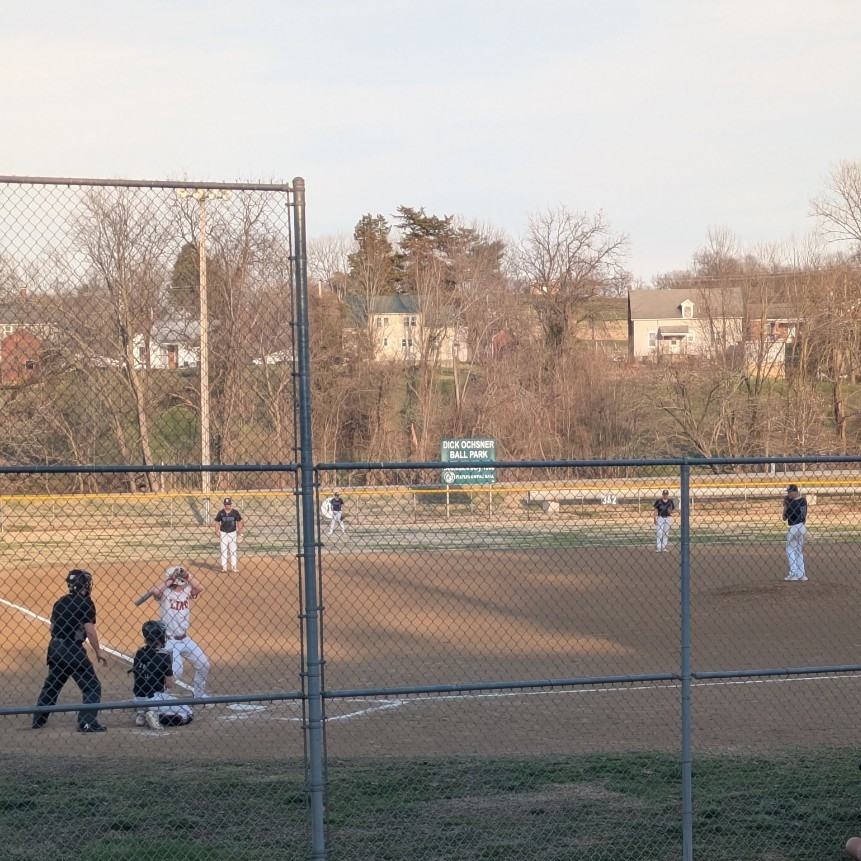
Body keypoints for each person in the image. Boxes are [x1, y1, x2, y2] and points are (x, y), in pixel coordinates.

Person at [32, 569, 108, 733]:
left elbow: (52, 628)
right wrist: (98, 651)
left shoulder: (60, 602)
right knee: (92, 686)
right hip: (73, 650)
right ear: (86, 584)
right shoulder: (86, 602)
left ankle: (38, 719)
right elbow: (90, 630)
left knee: (52, 686)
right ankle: (87, 722)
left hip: (55, 649)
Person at [146, 566, 211, 700]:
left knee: (204, 665)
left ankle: (199, 694)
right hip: (169, 640)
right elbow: (155, 591)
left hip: (185, 639)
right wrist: (170, 580)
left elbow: (200, 588)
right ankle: (159, 695)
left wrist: (187, 575)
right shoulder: (165, 594)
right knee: (176, 671)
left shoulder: (186, 591)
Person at [131, 620, 194, 729]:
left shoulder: (139, 653)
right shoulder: (164, 656)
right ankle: (156, 715)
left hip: (137, 698)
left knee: (152, 695)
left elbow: (136, 676)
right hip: (155, 698)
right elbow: (169, 684)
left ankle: (141, 714)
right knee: (187, 713)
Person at [782, 483, 808, 581]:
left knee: (790, 550)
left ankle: (793, 574)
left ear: (795, 491)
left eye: (790, 492)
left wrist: (785, 506)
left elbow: (784, 518)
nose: (788, 494)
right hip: (802, 527)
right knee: (798, 551)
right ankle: (801, 574)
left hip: (794, 528)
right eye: (788, 492)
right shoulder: (803, 500)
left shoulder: (791, 504)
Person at [214, 497, 243, 573]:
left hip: (233, 533)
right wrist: (216, 531)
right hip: (223, 533)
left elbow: (239, 521)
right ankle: (224, 567)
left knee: (233, 551)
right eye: (226, 504)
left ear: (231, 504)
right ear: (224, 505)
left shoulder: (235, 512)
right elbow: (217, 522)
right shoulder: (221, 513)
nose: (227, 506)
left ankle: (234, 567)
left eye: (229, 504)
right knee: (223, 550)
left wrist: (240, 533)